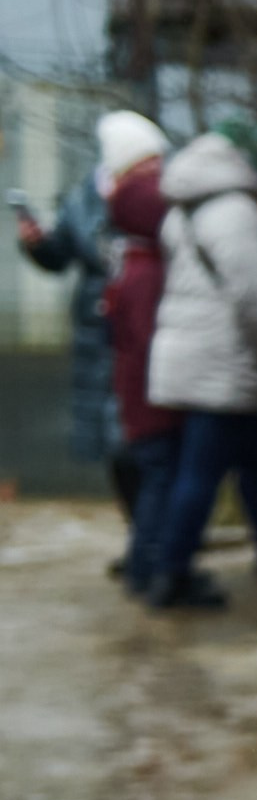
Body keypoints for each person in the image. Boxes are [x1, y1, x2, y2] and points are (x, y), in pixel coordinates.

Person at [147, 122, 257, 610]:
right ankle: (174, 575)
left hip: (198, 361)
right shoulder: (233, 212)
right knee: (221, 474)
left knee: (240, 472)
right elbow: (256, 295)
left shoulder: (183, 209)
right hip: (229, 365)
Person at [14, 113, 158, 555]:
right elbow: (62, 255)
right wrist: (37, 244)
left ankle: (151, 543)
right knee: (118, 446)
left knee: (146, 442)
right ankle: (142, 539)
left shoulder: (156, 198)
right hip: (99, 339)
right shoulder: (85, 197)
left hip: (142, 332)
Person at [100, 142, 184, 599]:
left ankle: (143, 566)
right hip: (152, 401)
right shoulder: (146, 272)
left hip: (139, 399)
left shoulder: (129, 265)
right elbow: (149, 339)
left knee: (156, 483)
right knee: (158, 486)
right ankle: (146, 570)